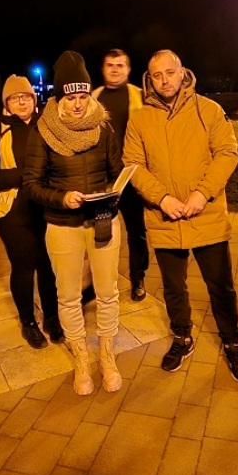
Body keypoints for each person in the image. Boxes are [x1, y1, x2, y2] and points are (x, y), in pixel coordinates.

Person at [123, 49, 238, 382]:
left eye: (170, 72)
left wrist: (202, 193)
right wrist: (161, 198)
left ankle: (231, 340)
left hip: (205, 213)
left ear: (183, 73)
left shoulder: (208, 110)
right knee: (173, 287)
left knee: (220, 285)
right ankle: (181, 336)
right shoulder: (139, 119)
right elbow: (133, 165)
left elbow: (227, 153)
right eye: (157, 75)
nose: (164, 80)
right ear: (149, 79)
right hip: (164, 217)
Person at [22, 51, 124, 395]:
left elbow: (115, 172)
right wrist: (62, 198)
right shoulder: (43, 131)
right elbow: (31, 184)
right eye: (70, 97)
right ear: (59, 98)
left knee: (108, 293)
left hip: (102, 221)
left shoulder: (104, 128)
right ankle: (81, 357)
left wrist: (113, 191)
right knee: (67, 296)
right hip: (62, 225)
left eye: (82, 96)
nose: (78, 104)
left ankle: (107, 356)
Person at [0, 75, 61, 349]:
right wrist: (26, 176)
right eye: (15, 98)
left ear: (34, 99)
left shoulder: (48, 125)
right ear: (6, 103)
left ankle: (52, 317)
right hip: (13, 210)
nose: (22, 102)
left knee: (48, 265)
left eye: (26, 96)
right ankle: (29, 322)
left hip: (47, 207)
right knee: (24, 266)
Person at [93, 48, 149, 302]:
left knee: (136, 230)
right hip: (103, 178)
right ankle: (99, 280)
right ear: (103, 69)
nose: (115, 69)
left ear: (128, 69)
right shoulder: (93, 98)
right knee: (101, 231)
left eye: (120, 65)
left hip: (132, 174)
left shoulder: (140, 96)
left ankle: (138, 277)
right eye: (110, 65)